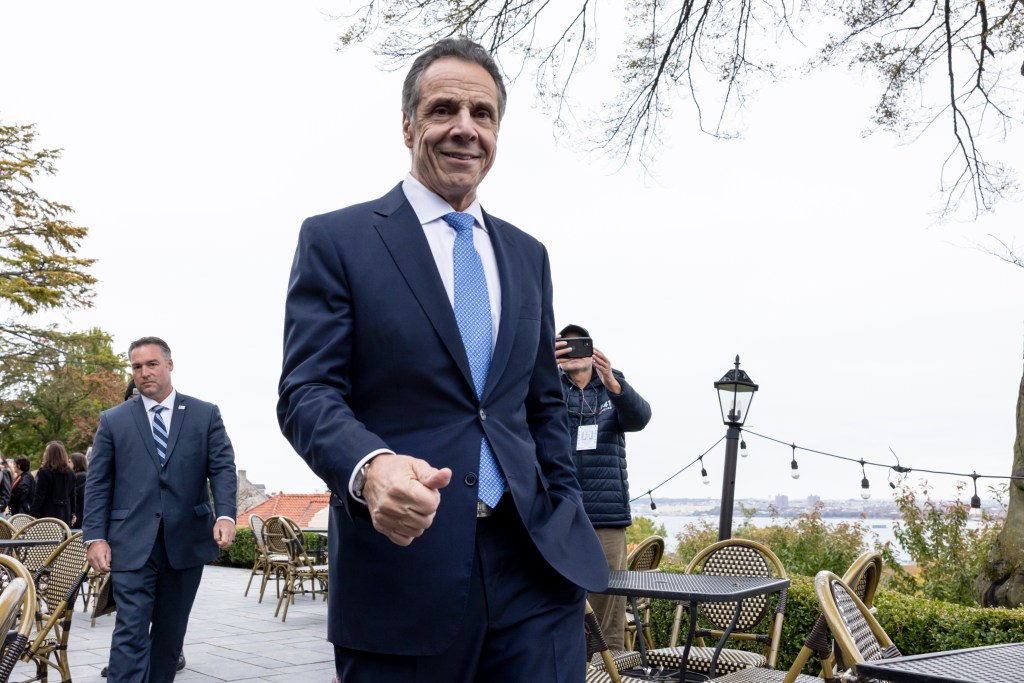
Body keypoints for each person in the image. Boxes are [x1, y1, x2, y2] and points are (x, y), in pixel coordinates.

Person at [278, 37, 608, 683]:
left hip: (534, 567)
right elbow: (308, 389)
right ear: (408, 124)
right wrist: (370, 469)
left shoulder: (526, 253)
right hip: (404, 564)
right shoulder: (337, 239)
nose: (464, 129)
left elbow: (540, 402)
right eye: (444, 109)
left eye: (482, 114)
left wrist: (564, 505)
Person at [83, 336, 237, 683]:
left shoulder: (204, 414)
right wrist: (95, 537)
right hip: (131, 543)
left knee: (169, 637)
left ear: (169, 365)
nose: (144, 372)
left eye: (151, 364)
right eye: (136, 366)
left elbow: (223, 468)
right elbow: (98, 484)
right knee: (130, 631)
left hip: (186, 542)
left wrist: (226, 514)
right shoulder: (113, 420)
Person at [555, 323, 653, 650]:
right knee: (560, 594)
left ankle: (609, 663)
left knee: (607, 598)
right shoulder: (549, 390)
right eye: (563, 347)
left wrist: (613, 381)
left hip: (606, 516)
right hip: (560, 513)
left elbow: (640, 419)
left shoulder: (613, 388)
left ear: (593, 351)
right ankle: (570, 661)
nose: (572, 353)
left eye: (578, 345)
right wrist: (541, 368)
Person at [31, 440, 76, 525]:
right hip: (65, 513)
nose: (44, 454)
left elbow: (39, 496)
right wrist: (73, 513)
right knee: (64, 537)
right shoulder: (71, 473)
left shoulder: (44, 472)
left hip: (47, 514)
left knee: (47, 537)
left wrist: (33, 514)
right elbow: (73, 495)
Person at [70, 452, 88, 529]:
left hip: (79, 514)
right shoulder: (77, 476)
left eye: (70, 462)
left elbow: (77, 494)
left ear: (76, 462)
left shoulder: (81, 476)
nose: (67, 464)